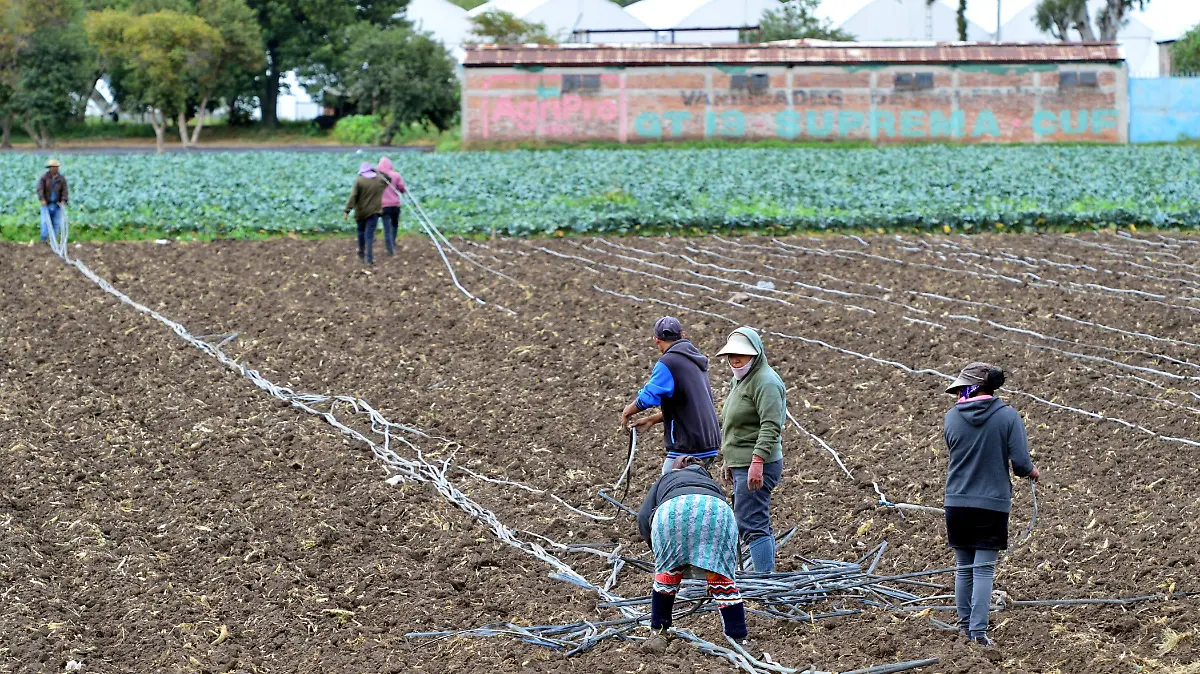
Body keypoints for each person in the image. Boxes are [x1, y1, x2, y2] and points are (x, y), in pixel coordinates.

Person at [943, 362, 1039, 647]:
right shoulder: (1008, 417)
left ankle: (964, 628)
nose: (958, 393)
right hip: (992, 504)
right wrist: (1031, 472)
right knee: (983, 569)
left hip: (956, 502)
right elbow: (1020, 464)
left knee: (963, 566)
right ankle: (978, 634)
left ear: (970, 388)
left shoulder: (952, 417)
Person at [637, 456, 755, 655]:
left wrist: (659, 554)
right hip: (715, 510)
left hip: (672, 512)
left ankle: (659, 631)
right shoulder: (710, 483)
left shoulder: (666, 479)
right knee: (721, 579)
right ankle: (739, 638)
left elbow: (643, 517)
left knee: (667, 576)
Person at [715, 327, 785, 573]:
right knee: (756, 519)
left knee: (751, 522)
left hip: (757, 464)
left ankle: (764, 579)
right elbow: (735, 424)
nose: (735, 359)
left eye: (742, 354)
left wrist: (757, 461)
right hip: (743, 463)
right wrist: (729, 460)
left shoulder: (766, 382)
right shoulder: (740, 380)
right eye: (731, 355)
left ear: (755, 354)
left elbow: (771, 425)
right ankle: (765, 571)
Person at [620, 316, 722, 476]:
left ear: (656, 340)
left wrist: (627, 412)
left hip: (689, 445)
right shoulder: (695, 360)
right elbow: (687, 405)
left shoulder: (668, 362)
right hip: (710, 442)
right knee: (693, 484)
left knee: (669, 480)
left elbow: (648, 396)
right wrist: (652, 420)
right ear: (683, 335)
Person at [343, 162, 387, 264]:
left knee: (361, 233)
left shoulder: (359, 180)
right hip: (374, 212)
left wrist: (347, 210)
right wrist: (378, 171)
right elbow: (388, 179)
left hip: (361, 212)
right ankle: (369, 258)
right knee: (370, 235)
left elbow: (353, 196)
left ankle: (361, 254)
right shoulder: (379, 180)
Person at [376, 156, 406, 256]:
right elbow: (402, 188)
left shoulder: (377, 177)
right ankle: (392, 242)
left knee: (387, 226)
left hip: (383, 205)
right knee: (394, 224)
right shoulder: (396, 175)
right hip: (395, 204)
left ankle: (390, 247)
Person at [37, 159, 69, 243]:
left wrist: (63, 200)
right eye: (53, 167)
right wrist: (42, 199)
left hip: (57, 205)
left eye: (56, 167)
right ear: (50, 168)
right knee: (45, 223)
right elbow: (40, 189)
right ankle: (43, 241)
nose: (55, 168)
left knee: (56, 224)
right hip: (46, 205)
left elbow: (65, 191)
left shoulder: (61, 179)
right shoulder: (44, 178)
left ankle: (53, 242)